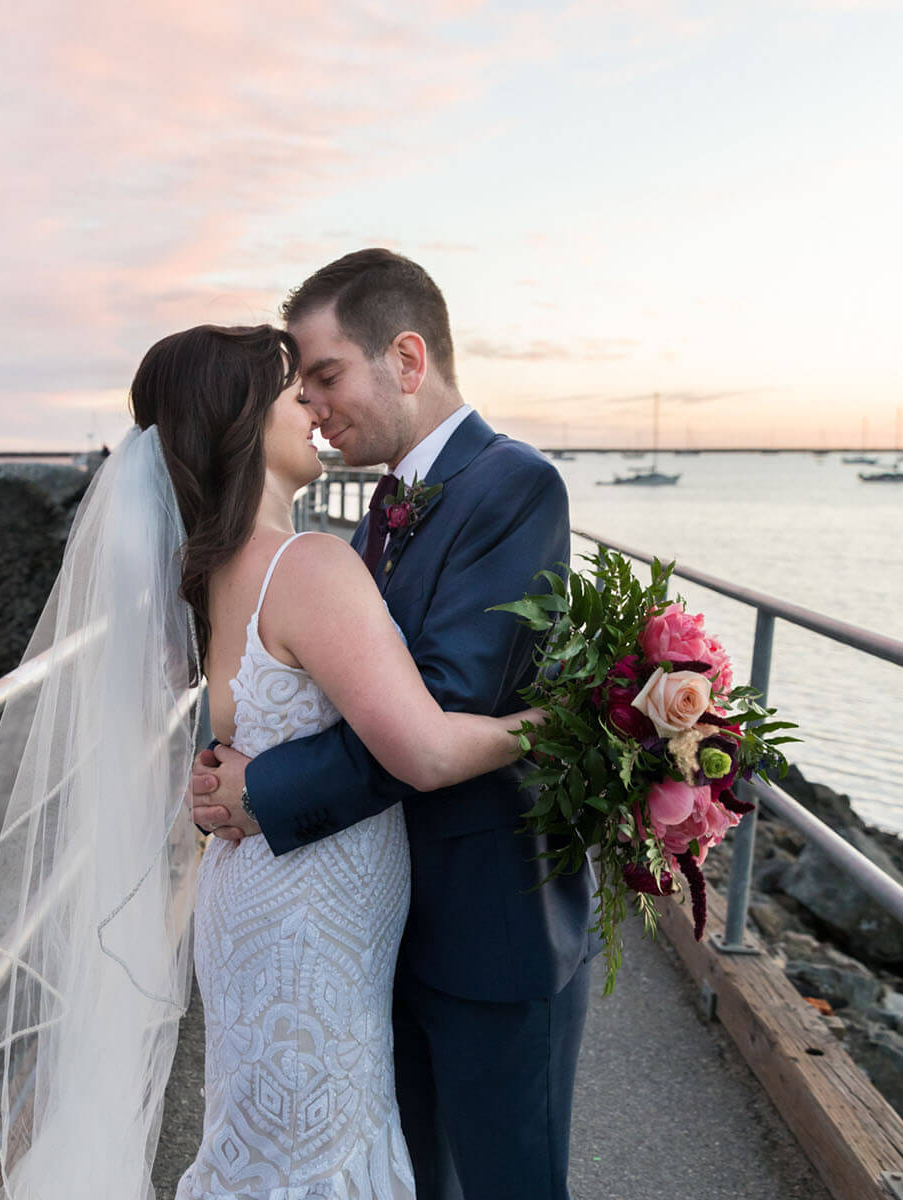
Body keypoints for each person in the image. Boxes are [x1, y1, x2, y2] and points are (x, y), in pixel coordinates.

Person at [0, 319, 543, 1200]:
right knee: (311, 1157)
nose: (310, 403)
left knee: (265, 1152)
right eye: (289, 391)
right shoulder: (307, 566)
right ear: (240, 423)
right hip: (307, 923)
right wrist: (568, 721)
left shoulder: (215, 573)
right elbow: (420, 749)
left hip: (262, 903)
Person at [191, 249, 598, 1200]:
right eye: (300, 387)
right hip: (376, 930)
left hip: (488, 928)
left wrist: (268, 787)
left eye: (326, 374)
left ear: (407, 359)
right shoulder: (378, 511)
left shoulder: (514, 486)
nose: (316, 404)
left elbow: (446, 705)